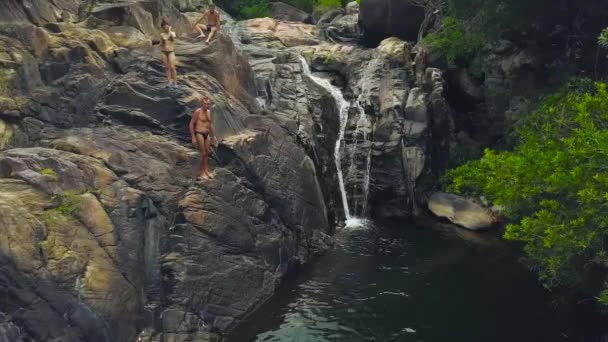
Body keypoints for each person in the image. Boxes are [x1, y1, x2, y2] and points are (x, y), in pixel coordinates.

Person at [189, 97, 218, 180]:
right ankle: (201, 172)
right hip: (199, 133)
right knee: (203, 153)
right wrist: (193, 137)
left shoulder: (209, 112)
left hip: (207, 134)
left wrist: (214, 136)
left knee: (207, 152)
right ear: (202, 103)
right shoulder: (198, 112)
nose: (206, 105)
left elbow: (210, 124)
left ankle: (206, 170)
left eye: (208, 104)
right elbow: (191, 124)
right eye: (205, 104)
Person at [160, 20, 177, 87]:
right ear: (163, 28)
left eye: (167, 27)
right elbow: (161, 43)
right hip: (164, 52)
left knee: (172, 67)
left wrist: (170, 30)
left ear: (169, 27)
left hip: (171, 52)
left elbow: (172, 38)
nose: (166, 28)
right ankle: (169, 81)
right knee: (167, 67)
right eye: (164, 27)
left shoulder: (172, 33)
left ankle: (175, 82)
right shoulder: (161, 34)